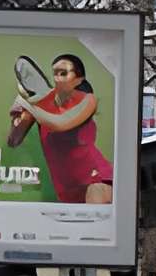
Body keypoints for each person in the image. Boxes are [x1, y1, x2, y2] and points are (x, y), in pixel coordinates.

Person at [6, 53, 115, 206]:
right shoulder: (43, 107)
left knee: (95, 197)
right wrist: (18, 117)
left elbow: (58, 123)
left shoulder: (86, 104)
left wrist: (29, 104)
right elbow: (13, 140)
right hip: (67, 194)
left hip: (98, 179)